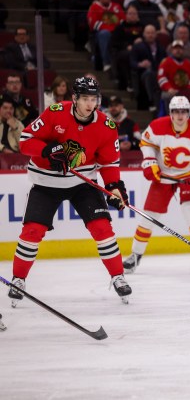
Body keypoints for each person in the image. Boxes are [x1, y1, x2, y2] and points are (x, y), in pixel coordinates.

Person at [7, 77, 132, 306]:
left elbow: (109, 163)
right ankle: (18, 279)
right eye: (85, 98)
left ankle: (118, 276)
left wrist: (114, 187)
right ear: (74, 98)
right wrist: (47, 149)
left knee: (102, 227)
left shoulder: (106, 126)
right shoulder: (55, 112)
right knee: (33, 231)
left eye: (93, 99)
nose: (89, 104)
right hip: (46, 182)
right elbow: (25, 141)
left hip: (82, 183)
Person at [123, 96, 190, 274]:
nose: (180, 115)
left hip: (188, 176)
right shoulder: (158, 126)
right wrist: (150, 162)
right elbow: (146, 144)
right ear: (170, 113)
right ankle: (135, 255)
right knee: (149, 215)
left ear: (188, 113)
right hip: (163, 176)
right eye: (176, 111)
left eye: (183, 111)